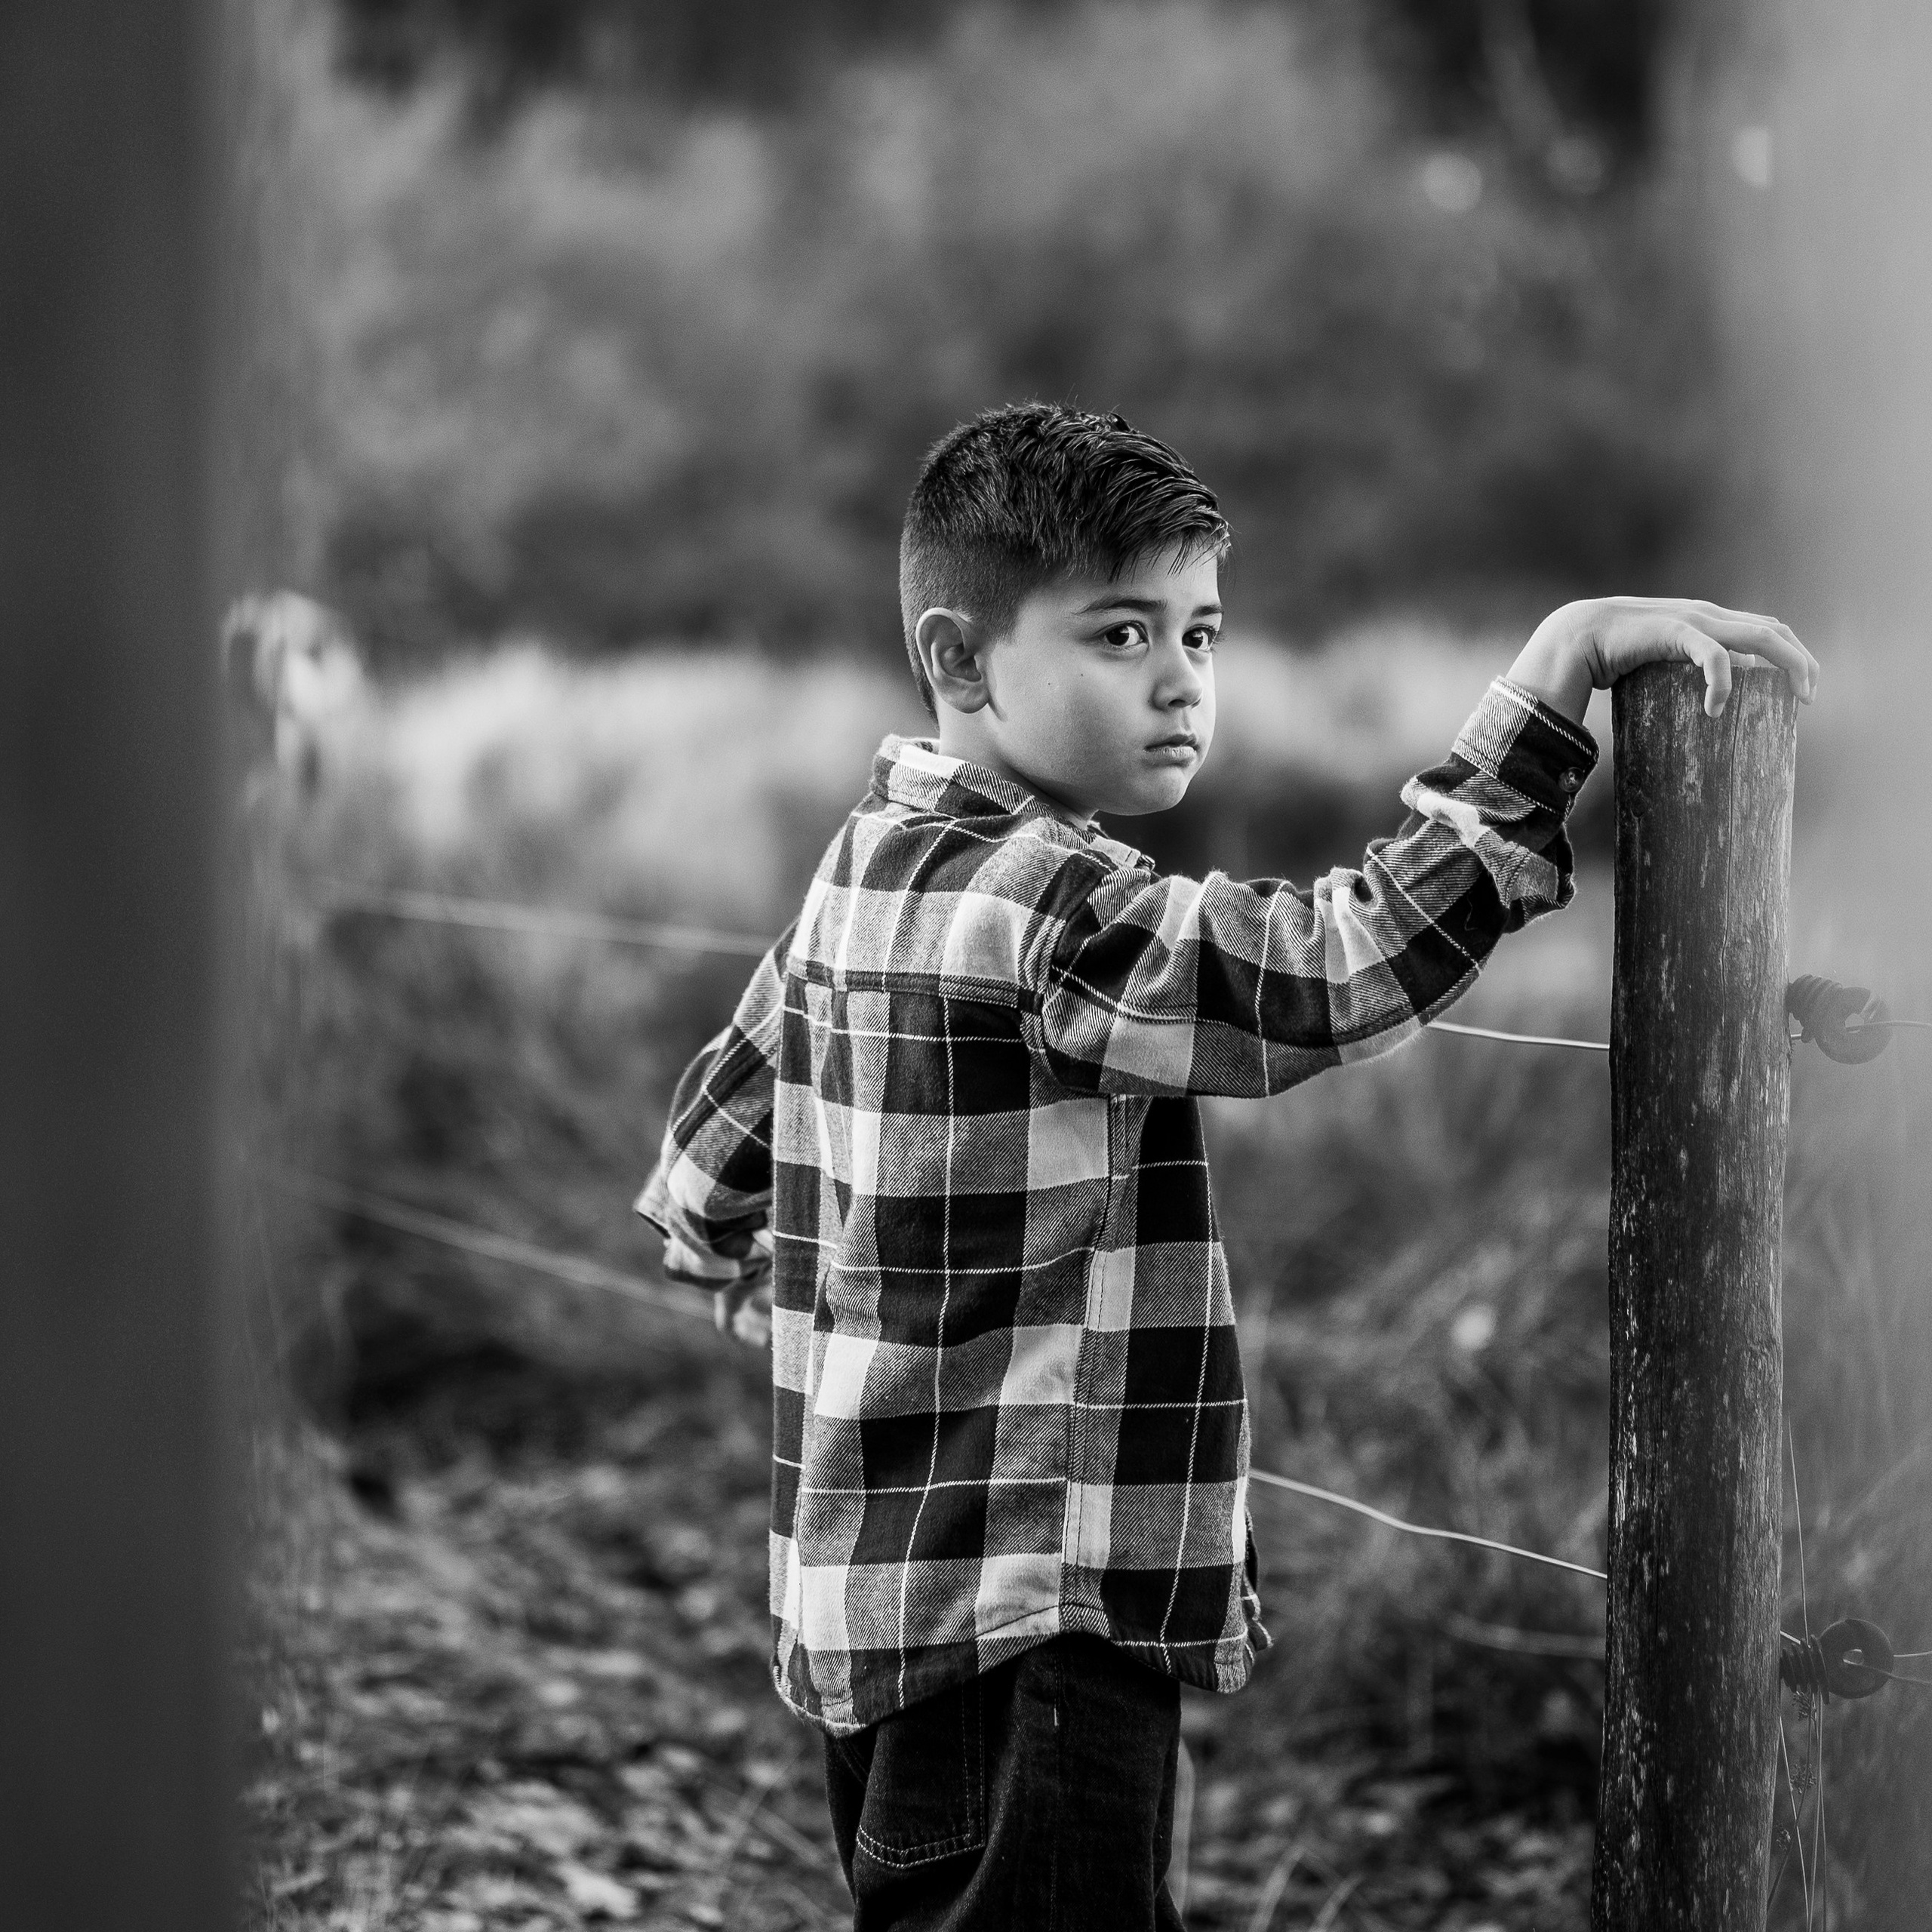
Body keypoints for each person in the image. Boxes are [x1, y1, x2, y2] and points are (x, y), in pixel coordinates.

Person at [637, 402, 1816, 1929]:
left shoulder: (865, 861)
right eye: (1118, 634)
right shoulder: (1047, 899)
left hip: (868, 1612)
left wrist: (773, 1268)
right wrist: (1549, 683)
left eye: (1198, 629)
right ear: (959, 659)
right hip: (1030, 1621)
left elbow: (721, 1140)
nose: (1180, 678)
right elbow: (1322, 972)